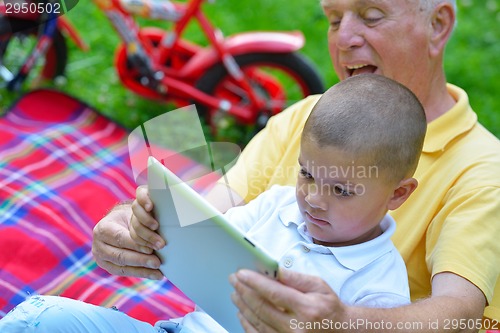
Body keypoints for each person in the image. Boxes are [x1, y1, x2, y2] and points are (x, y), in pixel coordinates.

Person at [93, 0, 500, 331]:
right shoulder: (307, 116)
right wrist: (133, 222)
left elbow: (460, 313)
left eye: (371, 16)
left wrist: (342, 322)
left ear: (438, 24)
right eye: (334, 19)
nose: (343, 39)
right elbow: (205, 216)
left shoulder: (482, 168)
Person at [0, 74, 426, 332]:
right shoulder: (277, 204)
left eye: (342, 190)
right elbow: (206, 238)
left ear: (398, 194)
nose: (313, 198)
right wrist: (152, 225)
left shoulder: (380, 291)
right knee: (38, 318)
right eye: (307, 174)